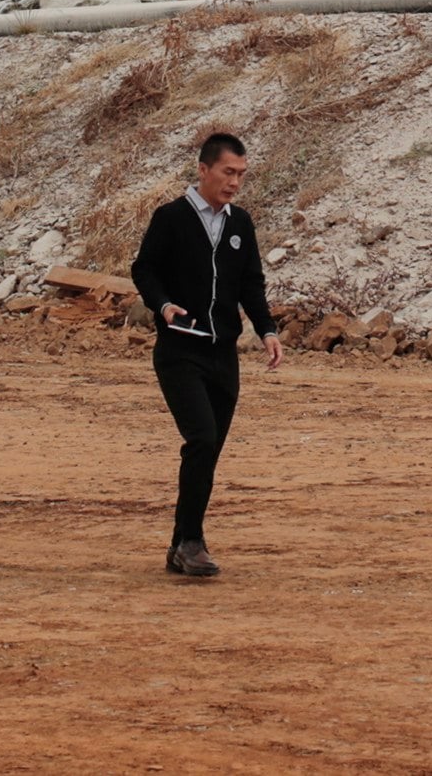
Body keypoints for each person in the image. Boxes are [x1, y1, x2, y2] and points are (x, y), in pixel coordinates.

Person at [128, 130, 281, 578]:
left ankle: (180, 543)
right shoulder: (171, 217)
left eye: (242, 174)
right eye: (228, 172)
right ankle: (193, 543)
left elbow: (251, 283)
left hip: (223, 355)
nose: (235, 182)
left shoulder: (240, 224)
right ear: (204, 169)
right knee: (201, 438)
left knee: (208, 451)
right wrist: (163, 305)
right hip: (180, 351)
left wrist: (267, 329)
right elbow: (144, 269)